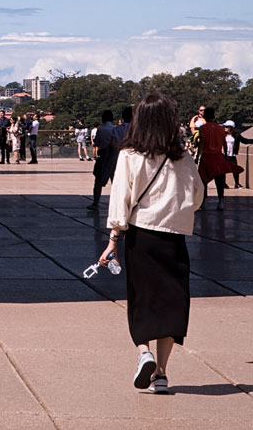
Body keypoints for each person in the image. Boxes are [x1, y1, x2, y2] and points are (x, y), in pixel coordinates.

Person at [99, 92, 203, 396]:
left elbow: (121, 199)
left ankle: (143, 351)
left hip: (141, 235)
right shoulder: (181, 157)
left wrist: (112, 240)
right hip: (174, 237)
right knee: (171, 302)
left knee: (142, 297)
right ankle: (161, 373)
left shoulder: (130, 154)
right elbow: (197, 196)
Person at [197, 107, 240, 210]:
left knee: (203, 180)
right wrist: (224, 155)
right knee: (220, 180)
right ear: (214, 116)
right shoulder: (221, 129)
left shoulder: (203, 128)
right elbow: (224, 143)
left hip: (207, 157)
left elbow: (202, 142)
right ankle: (221, 201)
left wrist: (198, 154)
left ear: (204, 116)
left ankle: (202, 202)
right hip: (218, 156)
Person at [88, 110, 118, 210]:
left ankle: (96, 202)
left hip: (103, 156)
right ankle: (117, 203)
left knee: (98, 181)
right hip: (114, 157)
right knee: (115, 181)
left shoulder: (101, 129)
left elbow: (96, 142)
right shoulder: (115, 129)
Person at [223, 120, 253, 189]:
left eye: (226, 126)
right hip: (224, 155)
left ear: (231, 127)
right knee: (223, 170)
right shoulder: (222, 134)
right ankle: (223, 184)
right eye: (224, 126)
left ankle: (237, 183)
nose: (224, 127)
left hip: (232, 155)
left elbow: (245, 141)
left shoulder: (236, 135)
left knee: (235, 169)